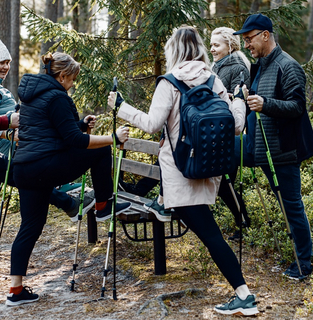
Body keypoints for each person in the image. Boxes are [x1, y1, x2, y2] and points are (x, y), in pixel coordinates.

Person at [108, 25, 259, 316]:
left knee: (211, 235)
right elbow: (237, 125)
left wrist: (121, 106)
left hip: (180, 172)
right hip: (208, 168)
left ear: (174, 51)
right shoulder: (213, 80)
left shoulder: (169, 83)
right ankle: (164, 205)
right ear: (200, 49)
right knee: (207, 229)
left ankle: (244, 295)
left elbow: (152, 125)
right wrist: (239, 100)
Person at [5, 52, 131, 306]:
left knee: (30, 226)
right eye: (72, 79)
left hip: (25, 170)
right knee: (102, 149)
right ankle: (104, 205)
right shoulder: (57, 97)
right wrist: (113, 138)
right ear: (62, 76)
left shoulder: (32, 95)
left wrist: (81, 124)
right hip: (44, 166)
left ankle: (15, 291)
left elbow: (56, 130)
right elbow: (74, 141)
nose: (73, 83)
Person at [230, 13, 313, 280]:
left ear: (266, 35)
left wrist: (266, 104)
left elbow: (298, 107)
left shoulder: (288, 66)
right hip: (256, 146)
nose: (246, 45)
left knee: (291, 207)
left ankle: (304, 263)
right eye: (244, 40)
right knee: (219, 152)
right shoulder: (262, 65)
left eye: (249, 39)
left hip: (282, 152)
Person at [0, 35, 93, 222]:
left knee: (28, 177)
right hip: (5, 151)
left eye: (8, 62)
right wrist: (7, 130)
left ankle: (65, 193)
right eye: (1, 62)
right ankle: (66, 198)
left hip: (16, 150)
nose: (6, 67)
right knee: (26, 177)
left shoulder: (1, 89)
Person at [210, 27, 251, 241]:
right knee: (222, 183)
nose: (212, 49)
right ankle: (242, 221)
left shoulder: (237, 66)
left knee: (224, 182)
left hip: (230, 134)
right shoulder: (216, 66)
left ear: (230, 45)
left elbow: (240, 98)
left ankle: (243, 222)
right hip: (216, 133)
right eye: (211, 45)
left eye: (216, 45)